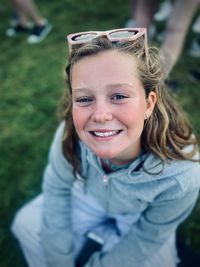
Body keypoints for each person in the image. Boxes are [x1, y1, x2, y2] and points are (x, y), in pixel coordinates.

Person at [11, 28, 200, 267]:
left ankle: (101, 240)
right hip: (89, 196)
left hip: (138, 217)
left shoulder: (182, 173)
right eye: (84, 99)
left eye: (119, 96)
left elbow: (149, 235)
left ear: (149, 103)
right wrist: (59, 260)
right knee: (25, 224)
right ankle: (101, 237)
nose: (100, 115)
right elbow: (56, 190)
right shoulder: (69, 134)